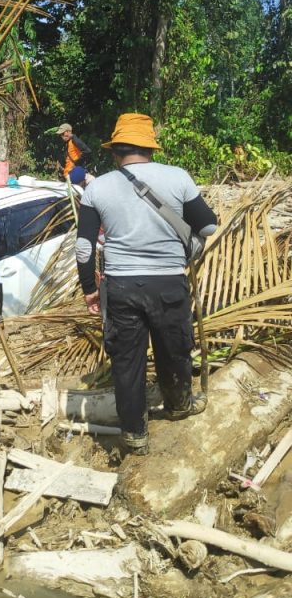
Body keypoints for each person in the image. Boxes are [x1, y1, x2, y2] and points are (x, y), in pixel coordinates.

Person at [74, 113, 217, 456]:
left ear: (115, 151)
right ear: (150, 147)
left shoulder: (98, 187)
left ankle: (135, 434)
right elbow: (209, 227)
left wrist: (89, 289)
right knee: (173, 349)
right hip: (168, 283)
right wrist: (189, 247)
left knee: (126, 362)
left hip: (122, 286)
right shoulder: (177, 177)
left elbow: (83, 247)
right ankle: (180, 405)